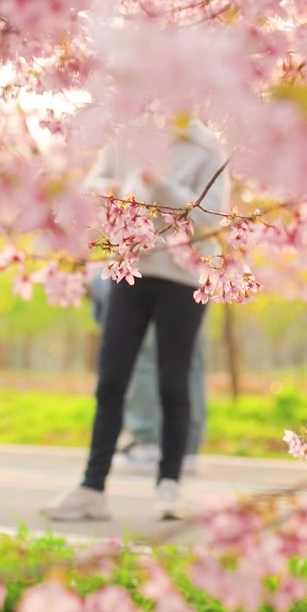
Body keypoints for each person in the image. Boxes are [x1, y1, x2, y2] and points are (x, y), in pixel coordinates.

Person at [43, 119, 230, 522]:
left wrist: (157, 180)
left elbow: (211, 218)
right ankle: (92, 488)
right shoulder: (128, 134)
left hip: (182, 277)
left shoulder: (207, 149)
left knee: (172, 380)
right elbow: (96, 182)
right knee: (111, 381)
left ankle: (169, 486)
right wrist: (112, 191)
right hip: (129, 269)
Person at [88, 274, 206, 476]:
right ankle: (186, 447)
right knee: (186, 360)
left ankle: (148, 441)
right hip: (192, 274)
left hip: (154, 270)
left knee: (147, 354)